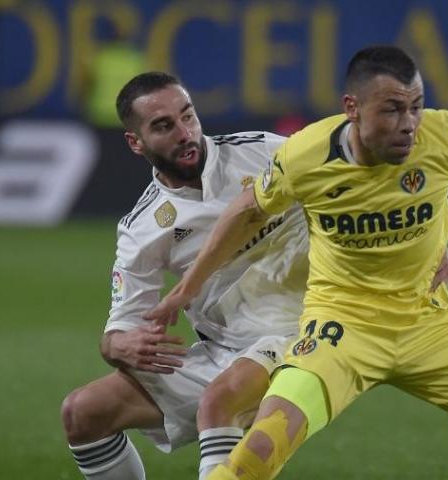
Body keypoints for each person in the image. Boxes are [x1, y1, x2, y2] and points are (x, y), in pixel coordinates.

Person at [148, 46, 448, 480]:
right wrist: (188, 287)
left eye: (415, 105)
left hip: (431, 324)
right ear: (352, 108)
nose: (409, 122)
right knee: (259, 451)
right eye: (392, 109)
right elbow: (248, 209)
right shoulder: (307, 155)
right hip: (341, 328)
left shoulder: (443, 135)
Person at [61, 71, 306, 480]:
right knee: (83, 412)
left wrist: (428, 243)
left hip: (303, 330)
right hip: (225, 353)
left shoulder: (265, 151)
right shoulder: (143, 228)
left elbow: (356, 181)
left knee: (218, 403)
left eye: (188, 116)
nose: (184, 133)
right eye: (163, 126)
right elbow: (118, 329)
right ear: (134, 142)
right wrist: (119, 346)